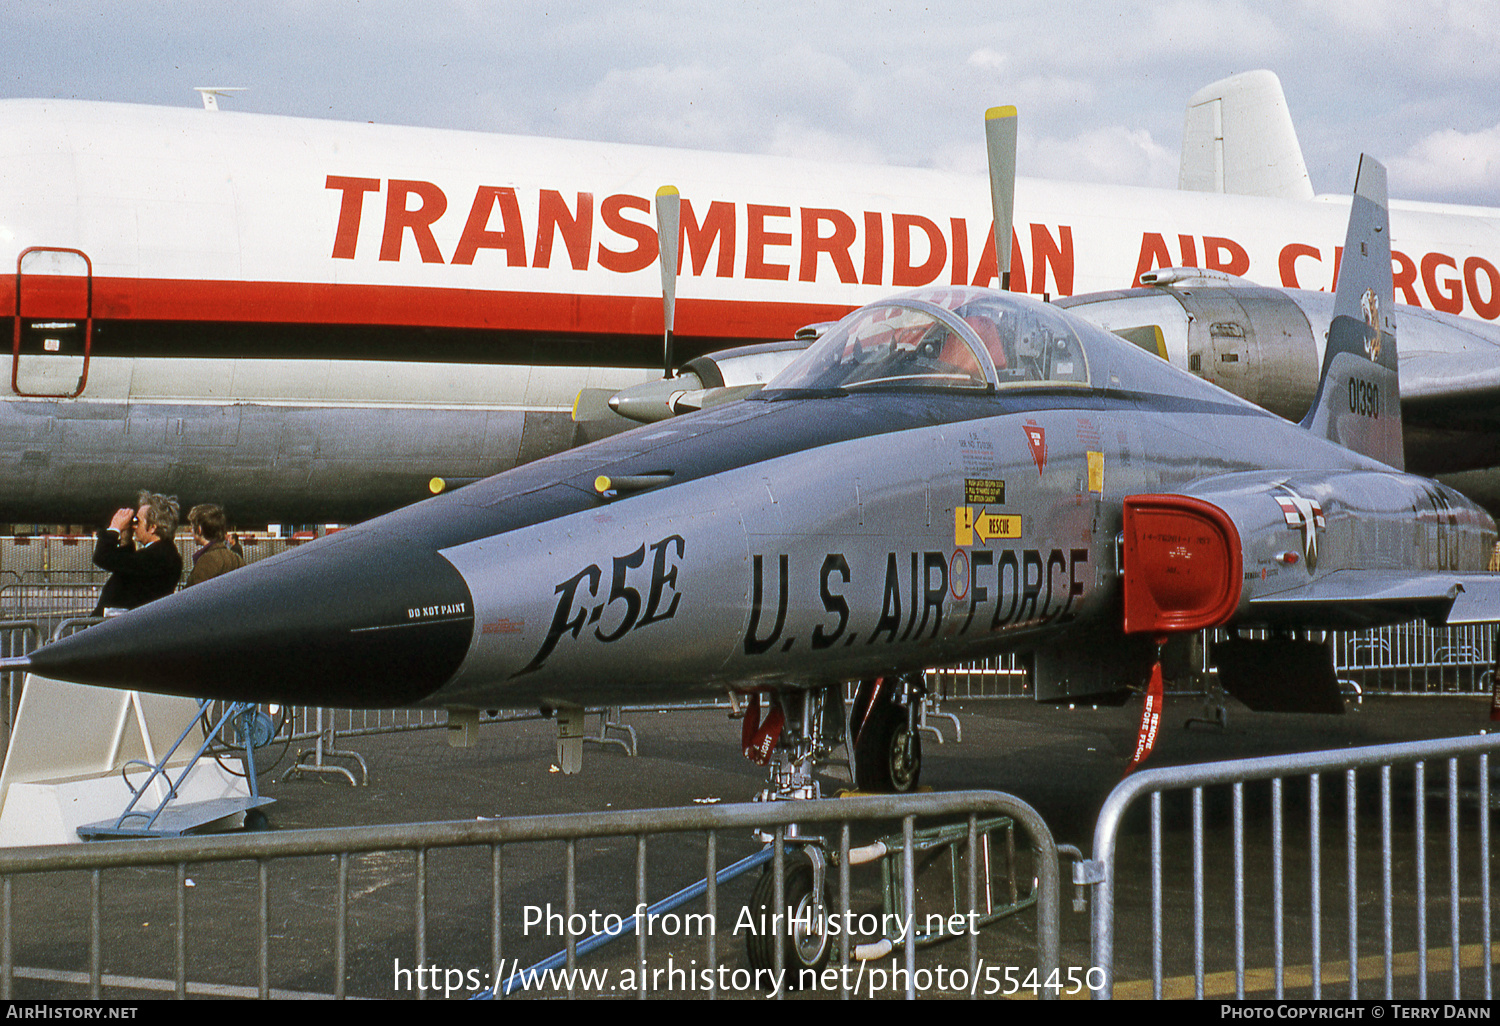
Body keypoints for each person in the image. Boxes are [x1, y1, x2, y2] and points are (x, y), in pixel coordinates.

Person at [92, 492, 183, 617]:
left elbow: (102, 557)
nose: (134, 526)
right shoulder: (161, 553)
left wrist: (114, 528)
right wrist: (125, 539)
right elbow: (127, 568)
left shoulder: (159, 556)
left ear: (152, 528)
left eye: (137, 521)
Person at [185, 504, 246, 586]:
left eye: (192, 527)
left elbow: (193, 595)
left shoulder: (206, 562)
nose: (191, 531)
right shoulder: (236, 559)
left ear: (199, 529)